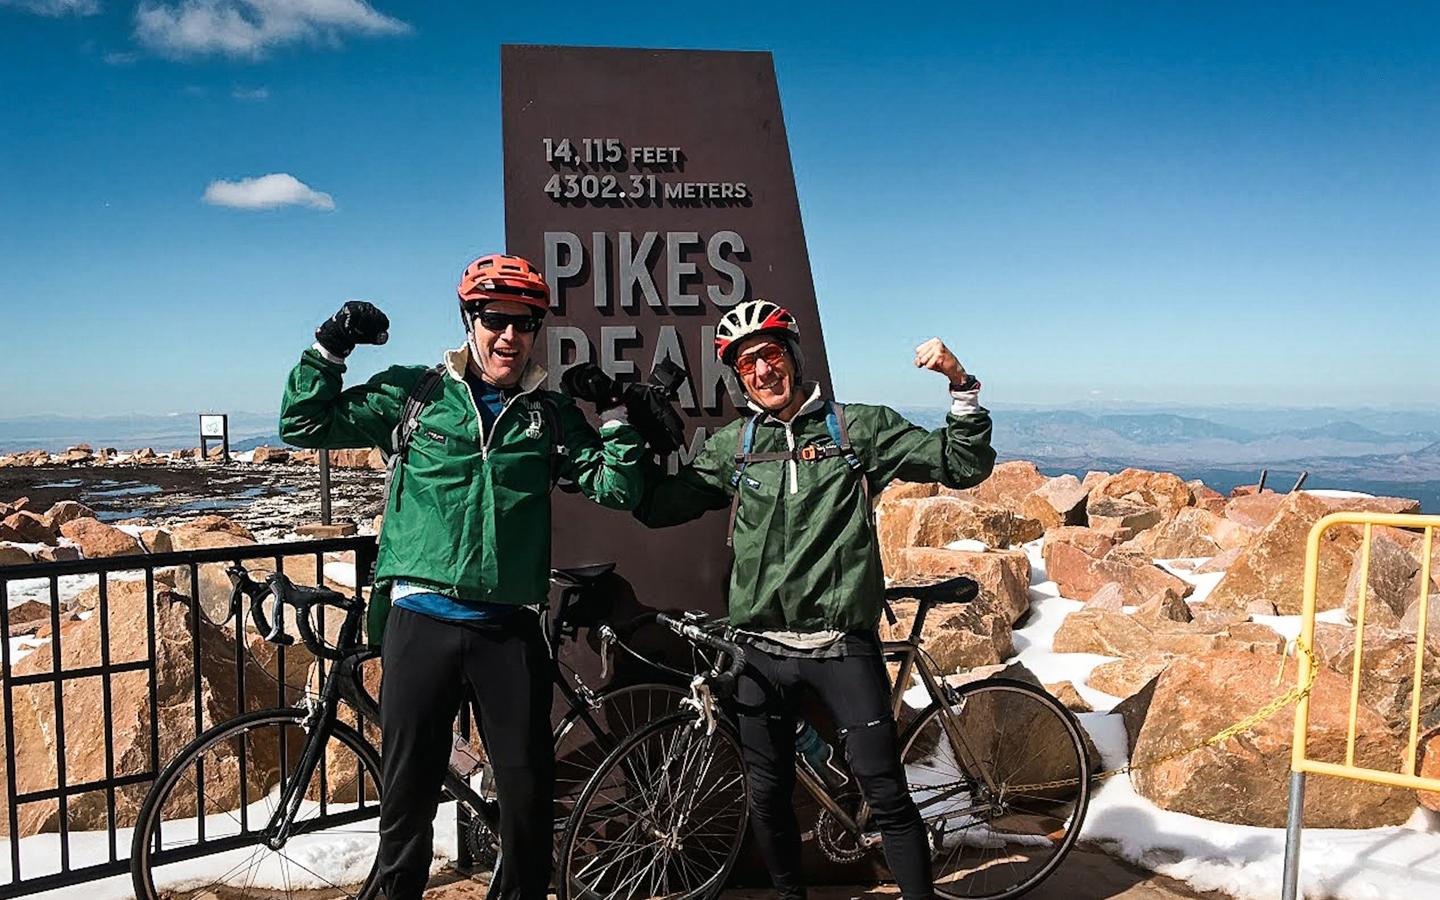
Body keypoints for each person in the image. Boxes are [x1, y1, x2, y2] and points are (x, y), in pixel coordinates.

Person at [279, 254, 645, 900]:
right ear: (470, 321)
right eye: (495, 320)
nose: (510, 336)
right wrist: (330, 347)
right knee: (406, 819)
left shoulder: (547, 416)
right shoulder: (415, 395)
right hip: (421, 622)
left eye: (524, 323)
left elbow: (617, 485)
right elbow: (303, 424)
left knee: (528, 815)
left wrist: (614, 414)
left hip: (509, 632)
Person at [634, 299, 996, 900]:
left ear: (794, 357)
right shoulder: (735, 445)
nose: (762, 372)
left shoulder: (858, 428)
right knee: (767, 795)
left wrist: (961, 384)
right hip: (759, 653)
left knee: (884, 793)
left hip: (839, 646)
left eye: (771, 355)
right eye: (747, 365)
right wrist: (635, 436)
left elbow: (961, 464)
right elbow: (659, 506)